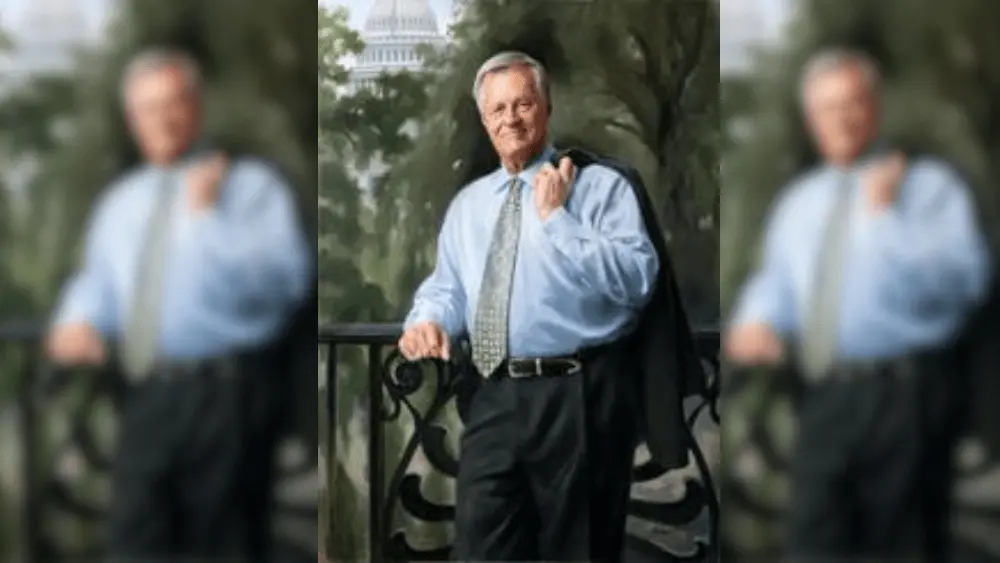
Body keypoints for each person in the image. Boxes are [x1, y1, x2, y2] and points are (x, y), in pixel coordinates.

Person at [44, 47, 312, 562]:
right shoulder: (121, 202)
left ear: (196, 107)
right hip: (145, 396)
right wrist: (76, 319)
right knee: (133, 542)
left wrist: (207, 221)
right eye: (148, 108)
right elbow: (98, 282)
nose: (162, 119)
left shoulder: (252, 189)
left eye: (173, 103)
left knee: (222, 549)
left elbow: (285, 281)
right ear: (133, 121)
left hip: (227, 397)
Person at [725, 48, 992, 561]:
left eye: (852, 103)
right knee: (812, 540)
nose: (841, 118)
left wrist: (886, 220)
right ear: (812, 120)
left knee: (902, 548)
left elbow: (965, 280)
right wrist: (756, 319)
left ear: (875, 107)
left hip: (906, 396)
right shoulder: (799, 202)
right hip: (825, 397)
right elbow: (778, 283)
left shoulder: (930, 189)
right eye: (827, 108)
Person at [397, 50, 661, 562]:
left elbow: (639, 280)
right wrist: (425, 320)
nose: (511, 119)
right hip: (495, 395)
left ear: (546, 107)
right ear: (484, 119)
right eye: (498, 110)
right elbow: (448, 288)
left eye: (523, 104)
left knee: (576, 552)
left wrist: (560, 220)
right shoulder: (469, 206)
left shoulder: (603, 188)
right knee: (481, 550)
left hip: (581, 395)